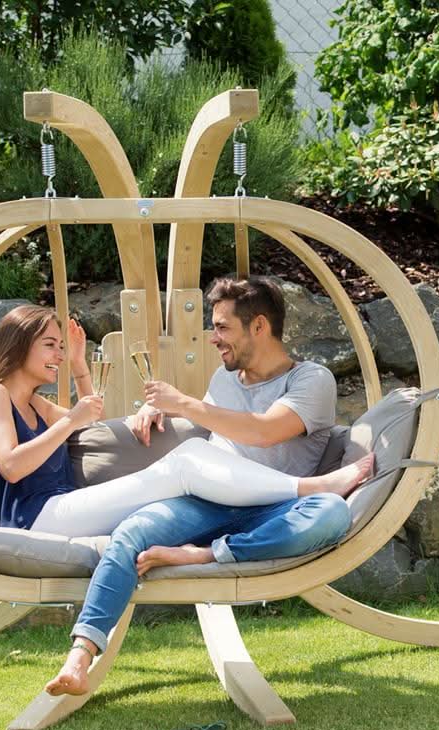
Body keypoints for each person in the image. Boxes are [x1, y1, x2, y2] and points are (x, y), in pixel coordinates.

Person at [45, 277, 371, 697]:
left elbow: (265, 432)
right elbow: (214, 428)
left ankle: (202, 554)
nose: (213, 339)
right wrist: (155, 410)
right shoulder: (224, 379)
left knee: (331, 513)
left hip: (274, 510)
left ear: (259, 326)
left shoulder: (312, 380)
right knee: (130, 533)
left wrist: (182, 402)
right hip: (207, 504)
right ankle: (79, 657)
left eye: (222, 328)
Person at [0, 304, 372, 539]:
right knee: (187, 460)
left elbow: (89, 421)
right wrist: (69, 421)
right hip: (34, 520)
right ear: (18, 347)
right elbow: (12, 465)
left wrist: (78, 366)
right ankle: (308, 489)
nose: (56, 355)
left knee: (189, 465)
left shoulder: (34, 405)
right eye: (49, 346)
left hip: (60, 511)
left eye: (59, 346)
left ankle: (285, 501)